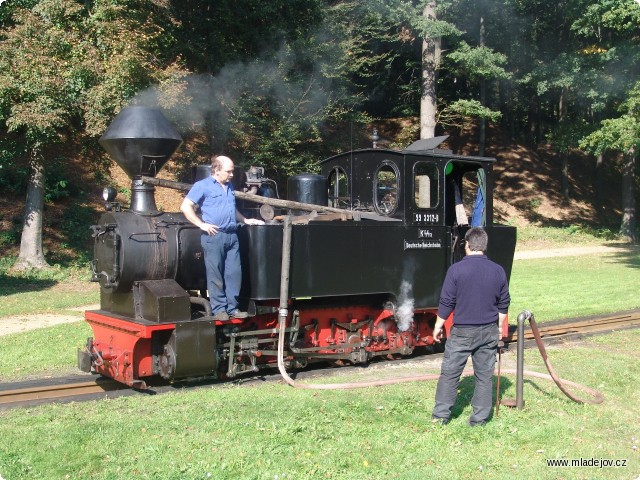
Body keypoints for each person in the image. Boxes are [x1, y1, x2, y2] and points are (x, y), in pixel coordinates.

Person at [431, 227, 510, 426]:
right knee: (484, 377)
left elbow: (447, 302)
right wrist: (499, 326)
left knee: (450, 374)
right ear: (484, 246)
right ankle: (480, 420)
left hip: (463, 332)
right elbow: (504, 303)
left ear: (467, 244)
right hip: (489, 330)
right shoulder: (498, 270)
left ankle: (441, 417)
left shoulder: (456, 270)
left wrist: (438, 326)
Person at [180, 155, 264, 321]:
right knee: (215, 273)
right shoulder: (202, 186)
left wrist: (245, 220)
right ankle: (219, 309)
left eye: (232, 171)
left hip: (232, 235)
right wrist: (201, 224)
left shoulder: (229, 186)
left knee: (234, 273)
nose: (232, 174)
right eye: (228, 171)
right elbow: (185, 206)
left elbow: (231, 209)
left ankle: (232, 308)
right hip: (214, 235)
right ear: (217, 170)